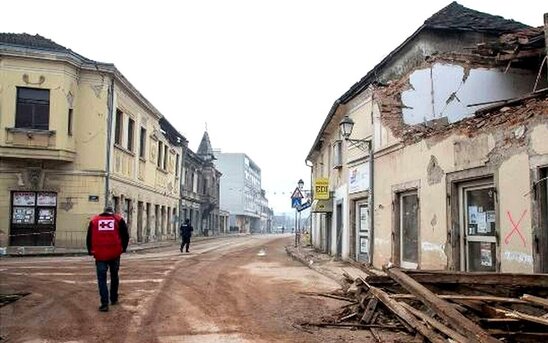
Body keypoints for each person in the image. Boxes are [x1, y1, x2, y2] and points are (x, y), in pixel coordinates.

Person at [86, 206, 129, 312]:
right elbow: (125, 236)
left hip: (100, 254)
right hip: (115, 253)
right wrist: (123, 248)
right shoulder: (118, 220)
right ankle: (114, 298)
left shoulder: (94, 221)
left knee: (102, 279)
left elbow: (89, 237)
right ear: (112, 212)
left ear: (103, 212)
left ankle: (104, 304)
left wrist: (90, 251)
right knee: (114, 275)